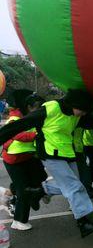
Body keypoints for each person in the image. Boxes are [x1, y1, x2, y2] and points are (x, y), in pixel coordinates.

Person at [0, 89, 93, 237]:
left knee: (76, 184)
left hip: (67, 153)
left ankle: (40, 190)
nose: (84, 114)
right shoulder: (50, 108)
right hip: (50, 154)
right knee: (74, 187)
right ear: (73, 104)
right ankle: (83, 223)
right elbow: (19, 125)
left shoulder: (76, 114)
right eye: (83, 110)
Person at [2, 91, 47, 231]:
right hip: (14, 161)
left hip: (27, 158)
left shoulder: (29, 117)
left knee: (40, 178)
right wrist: (37, 135)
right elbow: (19, 135)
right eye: (35, 107)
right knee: (24, 191)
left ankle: (9, 194)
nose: (38, 109)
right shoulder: (15, 120)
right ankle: (19, 220)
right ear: (26, 106)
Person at [74, 127, 93, 199]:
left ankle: (86, 190)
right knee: (83, 172)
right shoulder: (77, 120)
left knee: (82, 172)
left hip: (77, 149)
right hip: (75, 149)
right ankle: (86, 191)